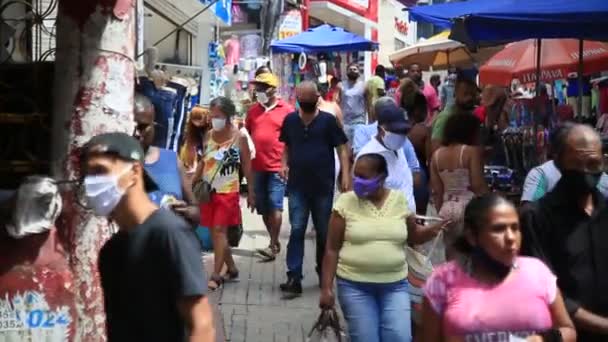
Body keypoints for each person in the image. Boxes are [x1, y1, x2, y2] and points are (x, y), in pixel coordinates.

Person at [83, 132, 215, 341]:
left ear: (135, 171)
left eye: (101, 171)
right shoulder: (111, 250)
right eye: (88, 174)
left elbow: (202, 326)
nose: (92, 182)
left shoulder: (168, 234)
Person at [319, 153, 449, 342]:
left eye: (364, 177)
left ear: (381, 178)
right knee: (366, 338)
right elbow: (331, 249)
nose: (358, 182)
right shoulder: (345, 203)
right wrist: (326, 288)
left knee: (399, 337)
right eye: (356, 176)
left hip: (394, 286)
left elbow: (413, 235)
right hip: (355, 286)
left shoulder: (399, 201)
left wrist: (432, 230)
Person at [422, 194, 576, 341]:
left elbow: (568, 330)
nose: (510, 237)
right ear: (472, 236)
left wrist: (541, 340)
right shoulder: (442, 281)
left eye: (515, 228)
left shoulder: (538, 272)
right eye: (498, 229)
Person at [521, 124, 608, 341]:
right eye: (577, 164)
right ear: (559, 162)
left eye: (593, 163)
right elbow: (545, 292)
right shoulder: (537, 217)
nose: (586, 171)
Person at [279, 82, 350, 294]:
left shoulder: (328, 121)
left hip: (322, 185)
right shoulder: (291, 121)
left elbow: (342, 149)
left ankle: (324, 271)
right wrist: (283, 164)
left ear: (317, 98)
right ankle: (294, 276)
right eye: (303, 98)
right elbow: (286, 146)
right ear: (298, 99)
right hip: (297, 185)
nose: (307, 102)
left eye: (310, 98)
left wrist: (345, 174)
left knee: (323, 231)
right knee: (297, 229)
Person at [193, 97, 254, 291]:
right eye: (212, 116)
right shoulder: (208, 135)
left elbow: (246, 165)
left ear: (227, 116)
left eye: (217, 116)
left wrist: (252, 192)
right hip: (208, 191)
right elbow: (203, 161)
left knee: (219, 231)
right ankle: (233, 268)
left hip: (228, 191)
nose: (213, 119)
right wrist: (192, 182)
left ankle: (216, 274)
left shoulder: (239, 137)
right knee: (215, 233)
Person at [246, 72, 294, 261]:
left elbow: (292, 139)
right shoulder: (253, 111)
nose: (258, 91)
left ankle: (273, 245)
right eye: (256, 87)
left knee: (276, 205)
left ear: (272, 89)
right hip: (257, 166)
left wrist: (286, 163)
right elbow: (246, 136)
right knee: (263, 207)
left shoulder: (287, 110)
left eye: (261, 87)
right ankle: (273, 241)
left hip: (277, 167)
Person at [133, 93, 199, 225]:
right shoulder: (113, 164)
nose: (136, 134)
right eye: (132, 127)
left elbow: (196, 210)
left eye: (142, 127)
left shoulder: (172, 160)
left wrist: (186, 212)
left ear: (154, 126)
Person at [431, 113, 488, 260]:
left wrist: (441, 213)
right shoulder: (470, 152)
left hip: (447, 208)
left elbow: (437, 192)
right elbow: (477, 185)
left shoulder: (436, 156)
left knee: (451, 255)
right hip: (468, 207)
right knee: (471, 256)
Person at [355, 98, 418, 213]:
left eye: (404, 132)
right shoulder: (367, 158)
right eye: (397, 132)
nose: (401, 136)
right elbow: (363, 200)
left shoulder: (398, 148)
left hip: (406, 222)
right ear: (381, 130)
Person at [522, 123, 608, 204]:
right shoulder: (541, 174)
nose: (584, 170)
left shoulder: (602, 178)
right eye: (576, 163)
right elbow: (531, 211)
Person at [430, 77, 480, 155]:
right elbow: (436, 147)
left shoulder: (471, 118)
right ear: (455, 94)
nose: (470, 98)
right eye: (465, 94)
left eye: (473, 94)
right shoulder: (446, 117)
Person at [406, 92, 431, 215]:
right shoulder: (423, 131)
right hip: (420, 177)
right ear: (418, 110)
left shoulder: (396, 128)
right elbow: (430, 160)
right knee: (420, 219)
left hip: (400, 176)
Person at [179, 105, 210, 182]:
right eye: (195, 119)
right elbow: (192, 148)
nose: (198, 122)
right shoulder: (192, 132)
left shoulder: (210, 131)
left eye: (200, 118)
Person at [338, 62, 367, 142]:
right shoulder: (341, 85)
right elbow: (336, 102)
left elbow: (368, 103)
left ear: (358, 71)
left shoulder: (364, 86)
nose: (352, 71)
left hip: (359, 121)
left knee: (358, 147)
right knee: (347, 149)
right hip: (345, 122)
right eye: (350, 69)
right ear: (347, 71)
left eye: (355, 69)